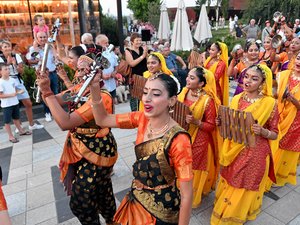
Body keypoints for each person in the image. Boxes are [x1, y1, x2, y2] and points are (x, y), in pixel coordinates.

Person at [90, 72, 193, 224]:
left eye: (156, 94)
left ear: (171, 100)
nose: (147, 99)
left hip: (161, 208)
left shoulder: (179, 140)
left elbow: (186, 194)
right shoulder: (142, 118)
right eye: (145, 92)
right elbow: (102, 119)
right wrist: (94, 87)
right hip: (137, 198)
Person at [36, 55, 118, 225]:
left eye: (84, 70)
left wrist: (47, 92)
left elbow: (65, 122)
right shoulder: (79, 90)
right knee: (102, 191)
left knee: (81, 202)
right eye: (78, 70)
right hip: (81, 148)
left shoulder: (102, 97)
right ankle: (112, 220)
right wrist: (45, 87)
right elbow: (56, 100)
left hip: (98, 151)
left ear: (97, 73)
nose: (79, 74)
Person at [211, 64, 278, 225]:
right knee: (230, 178)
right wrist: (221, 123)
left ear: (263, 83)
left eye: (254, 79)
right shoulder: (236, 99)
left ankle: (233, 216)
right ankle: (224, 210)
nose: (248, 81)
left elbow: (274, 134)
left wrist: (262, 131)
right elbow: (231, 127)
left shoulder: (270, 103)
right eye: (246, 76)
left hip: (255, 151)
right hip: (233, 149)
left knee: (244, 184)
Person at [178, 67, 219, 208]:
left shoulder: (208, 101)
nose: (187, 79)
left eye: (192, 78)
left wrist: (196, 122)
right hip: (181, 135)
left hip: (199, 139)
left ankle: (191, 197)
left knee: (193, 166)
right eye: (188, 76)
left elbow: (211, 126)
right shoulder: (184, 91)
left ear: (201, 83)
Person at [0, 40, 44, 130]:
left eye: (8, 46)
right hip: (7, 83)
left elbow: (21, 71)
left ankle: (31, 125)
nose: (7, 48)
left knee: (28, 103)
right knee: (14, 105)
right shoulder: (0, 59)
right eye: (5, 47)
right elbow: (1, 73)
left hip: (17, 81)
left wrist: (14, 64)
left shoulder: (16, 56)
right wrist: (7, 64)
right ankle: (18, 126)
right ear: (1, 49)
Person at [272, 52, 300, 187]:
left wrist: (292, 99)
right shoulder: (283, 75)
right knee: (274, 142)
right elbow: (275, 93)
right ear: (295, 59)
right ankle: (268, 170)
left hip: (295, 119)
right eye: (299, 58)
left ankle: (279, 174)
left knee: (285, 145)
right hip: (279, 113)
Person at [29, 31, 59, 122]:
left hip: (53, 73)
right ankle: (47, 112)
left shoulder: (50, 47)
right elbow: (30, 61)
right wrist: (36, 54)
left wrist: (53, 49)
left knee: (55, 93)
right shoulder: (33, 49)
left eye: (44, 37)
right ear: (37, 39)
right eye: (40, 37)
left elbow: (56, 58)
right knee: (45, 94)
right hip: (43, 75)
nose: (42, 39)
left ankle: (56, 112)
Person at [0, 63, 31, 143]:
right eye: (5, 69)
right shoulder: (1, 82)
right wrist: (12, 94)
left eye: (8, 69)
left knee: (16, 118)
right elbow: (1, 95)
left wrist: (19, 91)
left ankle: (21, 131)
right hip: (7, 105)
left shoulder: (12, 80)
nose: (8, 71)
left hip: (15, 102)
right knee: (7, 121)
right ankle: (10, 136)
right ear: (0, 72)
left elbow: (14, 90)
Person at [125, 32, 148, 111]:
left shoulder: (142, 49)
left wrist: (146, 53)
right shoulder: (128, 51)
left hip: (145, 75)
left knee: (144, 96)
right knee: (135, 98)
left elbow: (148, 61)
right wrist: (143, 56)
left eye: (140, 40)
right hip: (135, 78)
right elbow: (132, 64)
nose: (139, 42)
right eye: (137, 40)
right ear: (132, 41)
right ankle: (135, 115)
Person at [95, 34, 119, 104]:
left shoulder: (111, 52)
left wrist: (115, 72)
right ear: (98, 43)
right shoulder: (95, 54)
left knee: (113, 104)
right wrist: (102, 76)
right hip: (101, 86)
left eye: (108, 42)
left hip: (112, 84)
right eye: (105, 43)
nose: (108, 44)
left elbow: (116, 65)